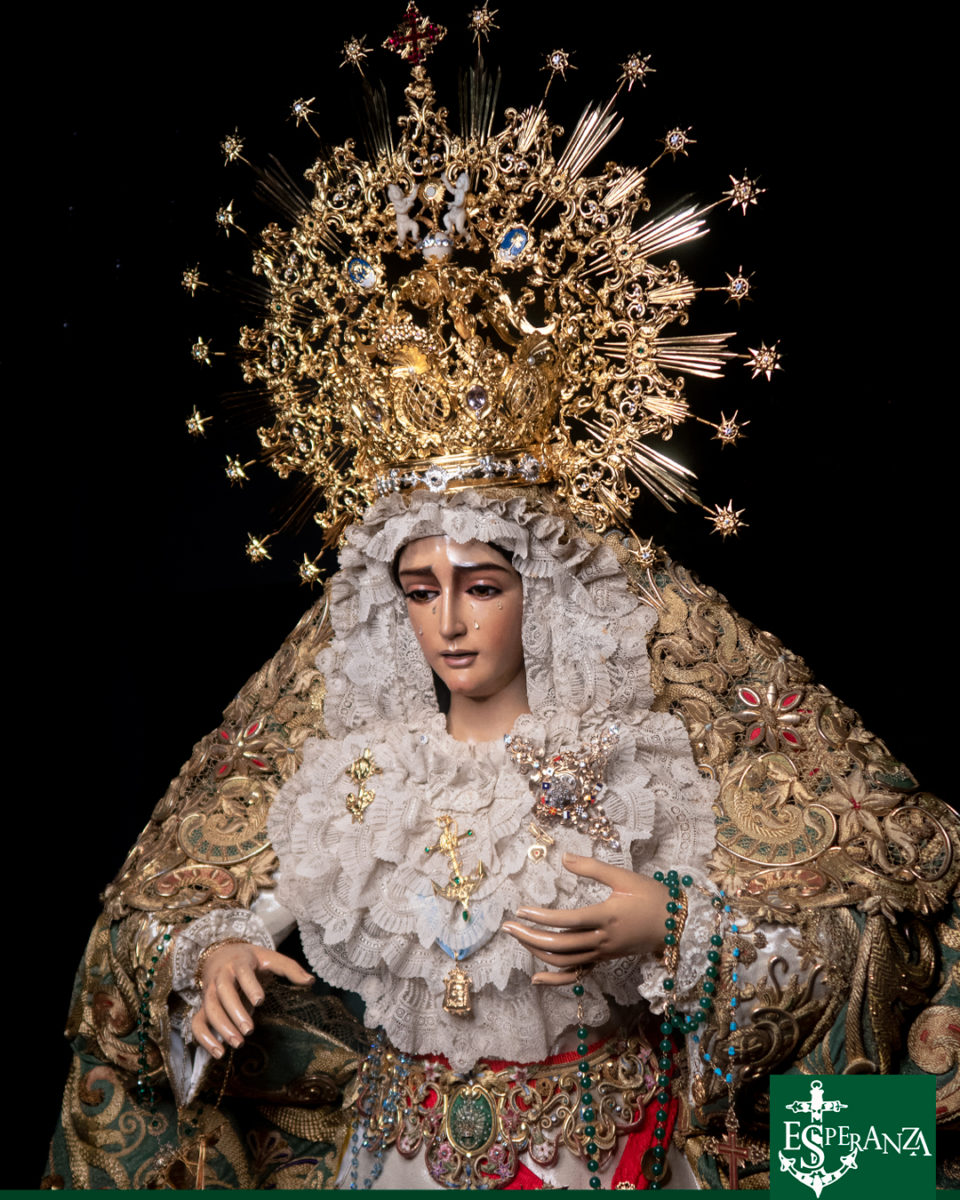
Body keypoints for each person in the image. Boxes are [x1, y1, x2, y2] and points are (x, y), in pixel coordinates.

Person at [46, 10, 959, 1191]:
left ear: (542, 591)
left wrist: (676, 927)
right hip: (394, 1158)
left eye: (481, 586)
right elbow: (215, 907)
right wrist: (209, 955)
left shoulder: (630, 758)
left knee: (853, 1160)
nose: (451, 622)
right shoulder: (360, 772)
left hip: (596, 1158)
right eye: (420, 590)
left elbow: (836, 949)